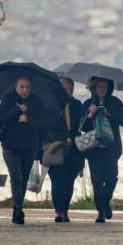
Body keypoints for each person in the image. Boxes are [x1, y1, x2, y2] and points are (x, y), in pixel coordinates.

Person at [0, 74, 46, 225]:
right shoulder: (9, 99)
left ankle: (18, 207)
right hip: (10, 146)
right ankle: (17, 209)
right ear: (15, 87)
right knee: (16, 177)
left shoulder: (36, 102)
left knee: (23, 179)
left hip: (29, 147)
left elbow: (43, 123)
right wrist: (16, 111)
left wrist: (28, 118)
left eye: (27, 87)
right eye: (21, 87)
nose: (24, 90)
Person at [82, 77, 123, 223]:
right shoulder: (88, 104)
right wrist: (90, 115)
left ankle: (106, 202)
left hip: (111, 149)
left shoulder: (115, 102)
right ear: (94, 88)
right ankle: (100, 211)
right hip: (94, 150)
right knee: (97, 182)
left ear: (109, 88)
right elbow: (82, 127)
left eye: (104, 86)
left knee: (111, 178)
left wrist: (110, 114)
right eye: (99, 86)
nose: (101, 89)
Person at [48, 76, 85, 222]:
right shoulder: (51, 105)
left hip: (74, 149)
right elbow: (49, 125)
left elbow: (79, 124)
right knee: (57, 179)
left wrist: (71, 136)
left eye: (70, 89)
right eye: (65, 88)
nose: (68, 91)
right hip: (56, 147)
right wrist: (63, 137)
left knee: (69, 180)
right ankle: (58, 211)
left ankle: (65, 210)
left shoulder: (77, 105)